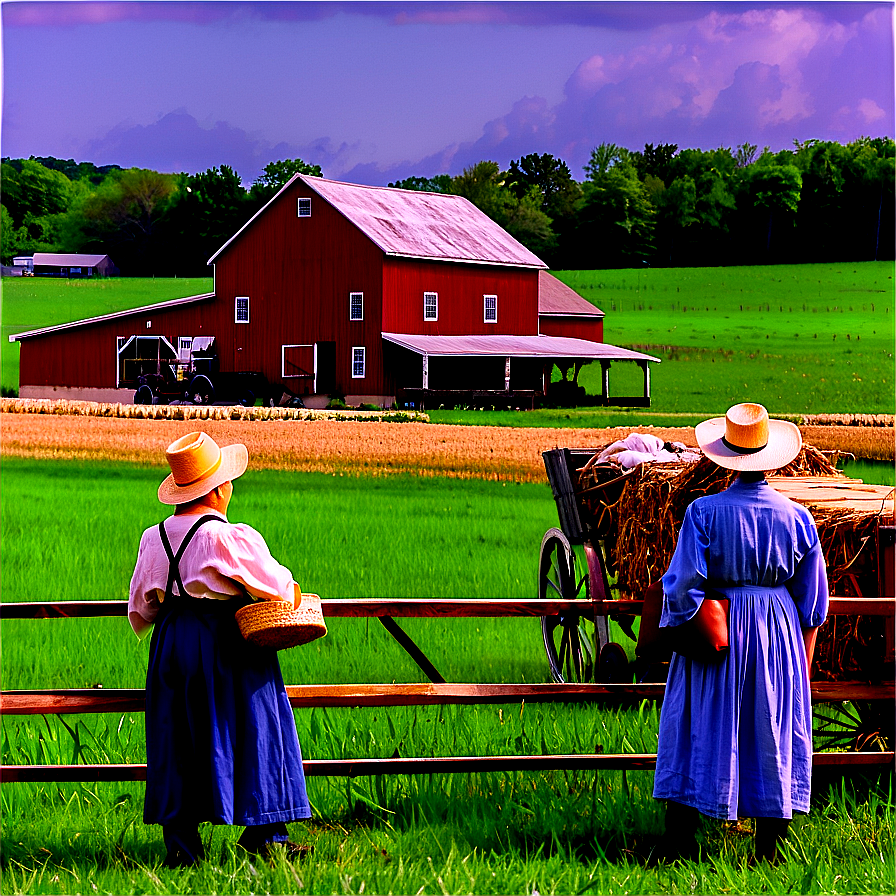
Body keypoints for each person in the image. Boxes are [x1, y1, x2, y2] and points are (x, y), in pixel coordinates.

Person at [652, 403, 829, 863]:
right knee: (772, 724)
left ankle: (681, 840)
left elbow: (683, 585)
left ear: (725, 454)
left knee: (699, 719)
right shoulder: (799, 518)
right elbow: (813, 604)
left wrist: (687, 626)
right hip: (779, 633)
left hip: (722, 627)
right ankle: (769, 848)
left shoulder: (703, 513)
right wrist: (799, 664)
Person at [129, 431, 311, 867]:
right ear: (217, 488)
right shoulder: (226, 538)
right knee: (258, 721)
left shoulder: (153, 538)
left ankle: (182, 847)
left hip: (171, 643)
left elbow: (140, 609)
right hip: (226, 642)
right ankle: (267, 837)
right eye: (227, 481)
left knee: (176, 735)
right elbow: (280, 591)